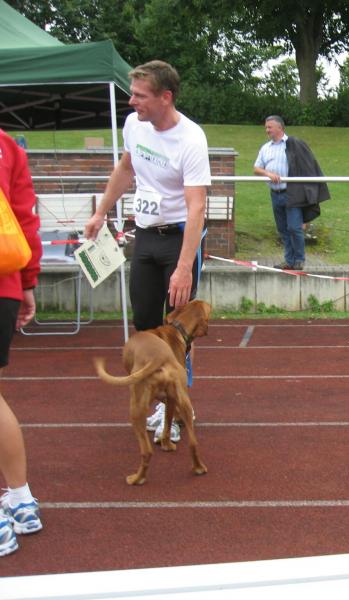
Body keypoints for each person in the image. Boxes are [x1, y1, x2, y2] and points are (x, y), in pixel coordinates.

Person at [84, 60, 211, 444]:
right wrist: (100, 212)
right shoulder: (134, 126)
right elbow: (126, 169)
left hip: (178, 239)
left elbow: (197, 208)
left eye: (140, 95)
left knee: (177, 331)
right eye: (132, 94)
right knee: (144, 325)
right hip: (145, 236)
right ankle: (159, 400)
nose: (131, 101)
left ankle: (180, 407)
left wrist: (184, 267)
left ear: (165, 97)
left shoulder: (191, 139)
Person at [0, 127, 44, 557]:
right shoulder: (8, 146)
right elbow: (25, 217)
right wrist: (27, 281)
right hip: (5, 281)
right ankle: (20, 499)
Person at [254, 115, 330, 271]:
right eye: (266, 127)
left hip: (292, 193)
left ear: (280, 127)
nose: (267, 130)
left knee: (295, 227)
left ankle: (299, 260)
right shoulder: (265, 148)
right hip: (275, 194)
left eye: (269, 127)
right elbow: (256, 168)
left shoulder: (294, 144)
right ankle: (289, 260)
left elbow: (308, 166)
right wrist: (268, 173)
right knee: (283, 229)